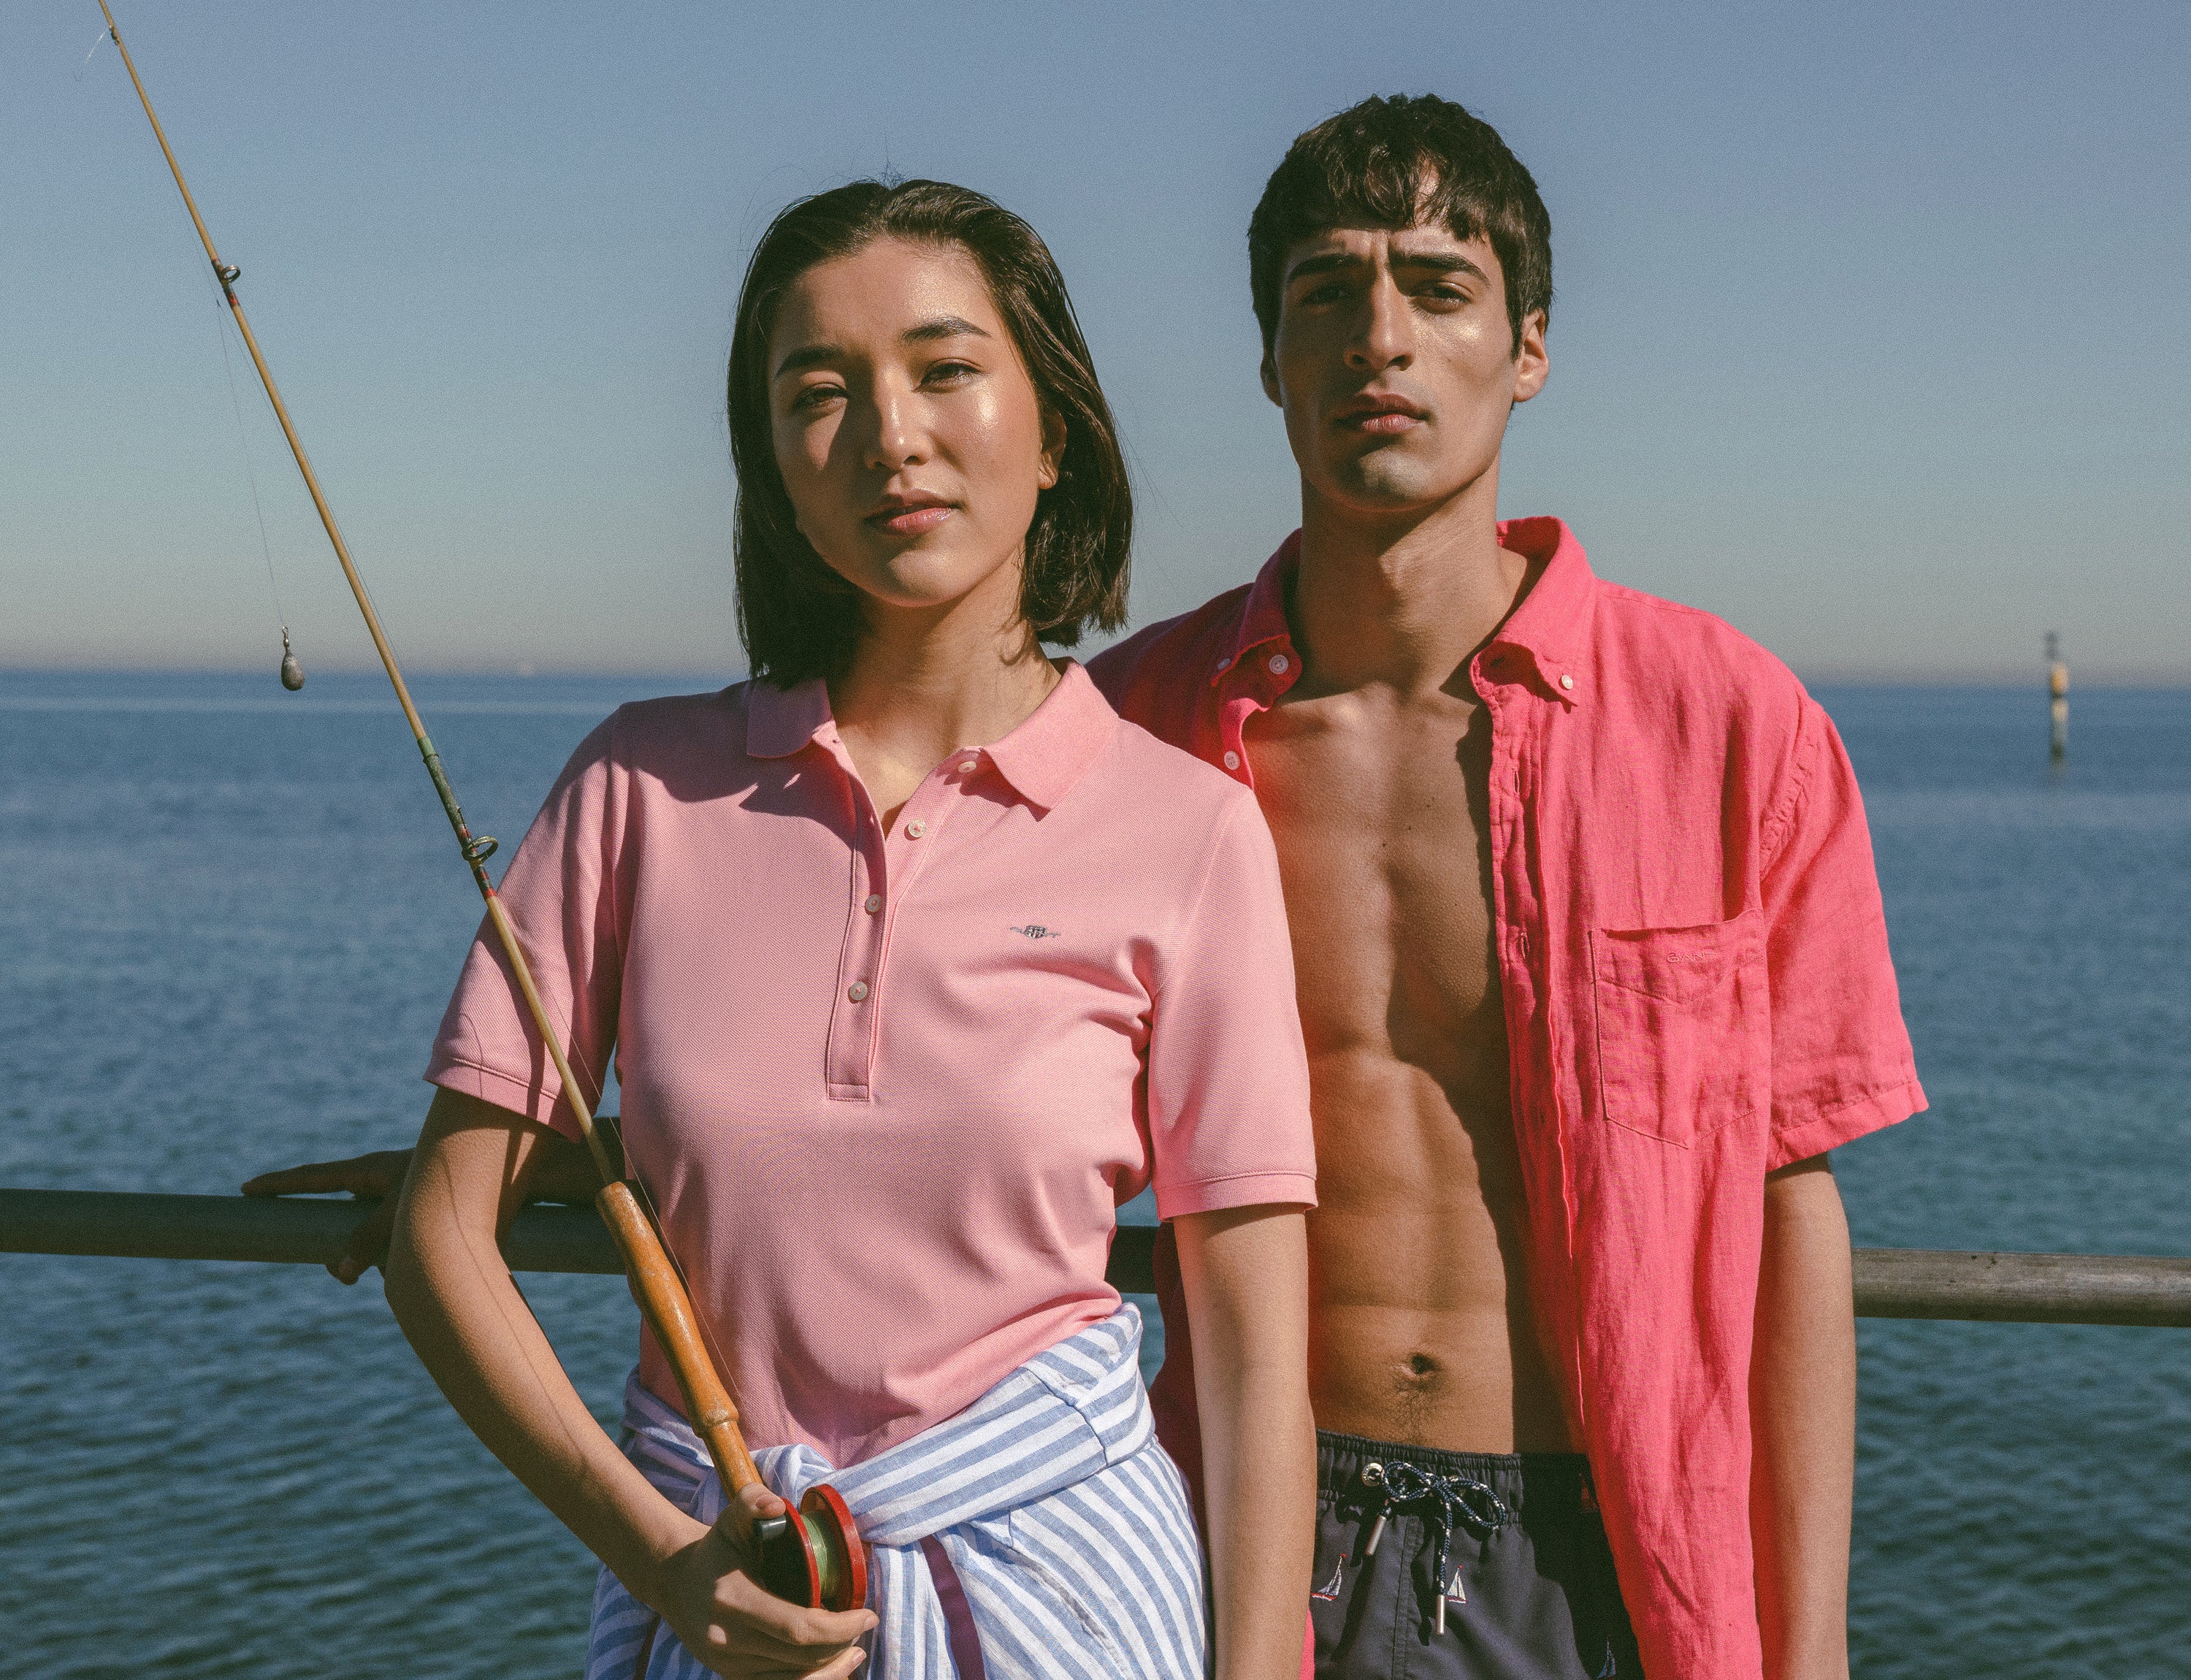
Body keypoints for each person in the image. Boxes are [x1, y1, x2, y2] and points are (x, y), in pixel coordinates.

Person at [255, 95, 1925, 1680]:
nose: (1383, 339)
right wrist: (516, 1154)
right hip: (1219, 1512)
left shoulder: (1729, 727)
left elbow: (1787, 1207)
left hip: (1595, 1521)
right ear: (1266, 357)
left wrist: (1817, 1642)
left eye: (1441, 288)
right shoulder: (1151, 727)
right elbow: (920, 1045)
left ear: (1532, 344)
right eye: (1327, 295)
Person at [323, 178, 1318, 1680]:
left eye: (944, 369)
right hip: (729, 1595)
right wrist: (669, 1569)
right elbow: (441, 1235)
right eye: (819, 393)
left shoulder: (1188, 831)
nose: (890, 437)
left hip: (1074, 1596)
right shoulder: (638, 786)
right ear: (773, 471)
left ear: (1056, 431)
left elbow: (1251, 1364)